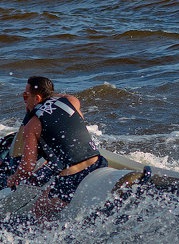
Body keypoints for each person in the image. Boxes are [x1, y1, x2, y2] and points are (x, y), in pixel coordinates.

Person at [7, 76, 106, 221]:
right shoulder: (71, 102)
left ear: (37, 97)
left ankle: (50, 241)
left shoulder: (32, 125)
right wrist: (49, 97)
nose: (25, 99)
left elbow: (27, 167)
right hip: (98, 163)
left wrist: (14, 178)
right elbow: (65, 97)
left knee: (38, 209)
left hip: (73, 178)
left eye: (26, 95)